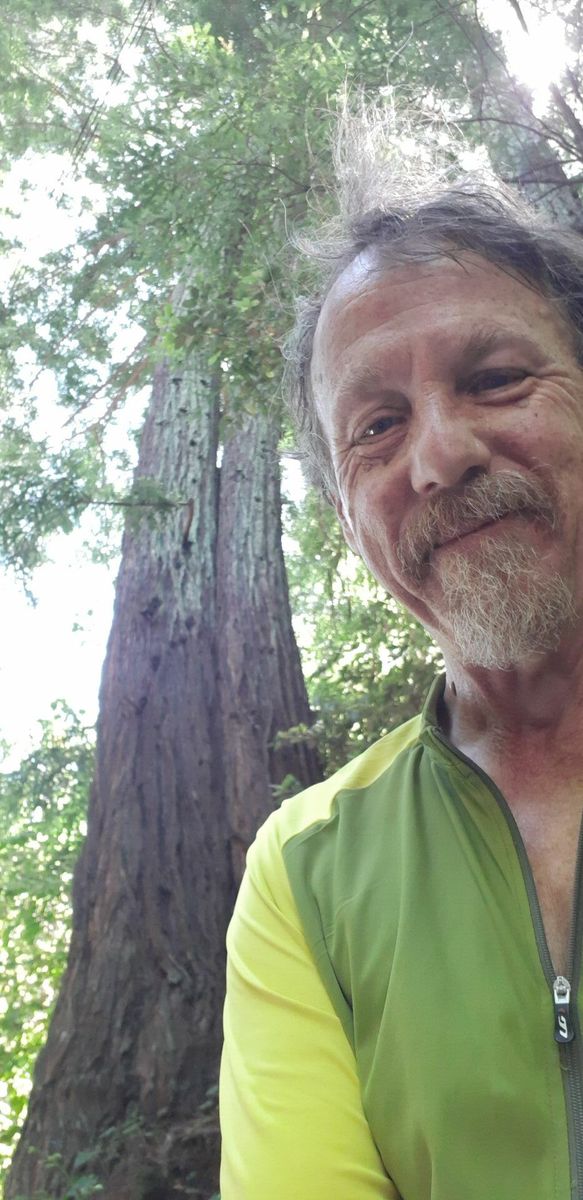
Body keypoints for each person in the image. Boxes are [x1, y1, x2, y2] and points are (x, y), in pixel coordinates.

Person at [219, 106, 583, 1200]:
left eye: (494, 377)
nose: (439, 455)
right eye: (375, 427)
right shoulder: (305, 872)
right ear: (348, 520)